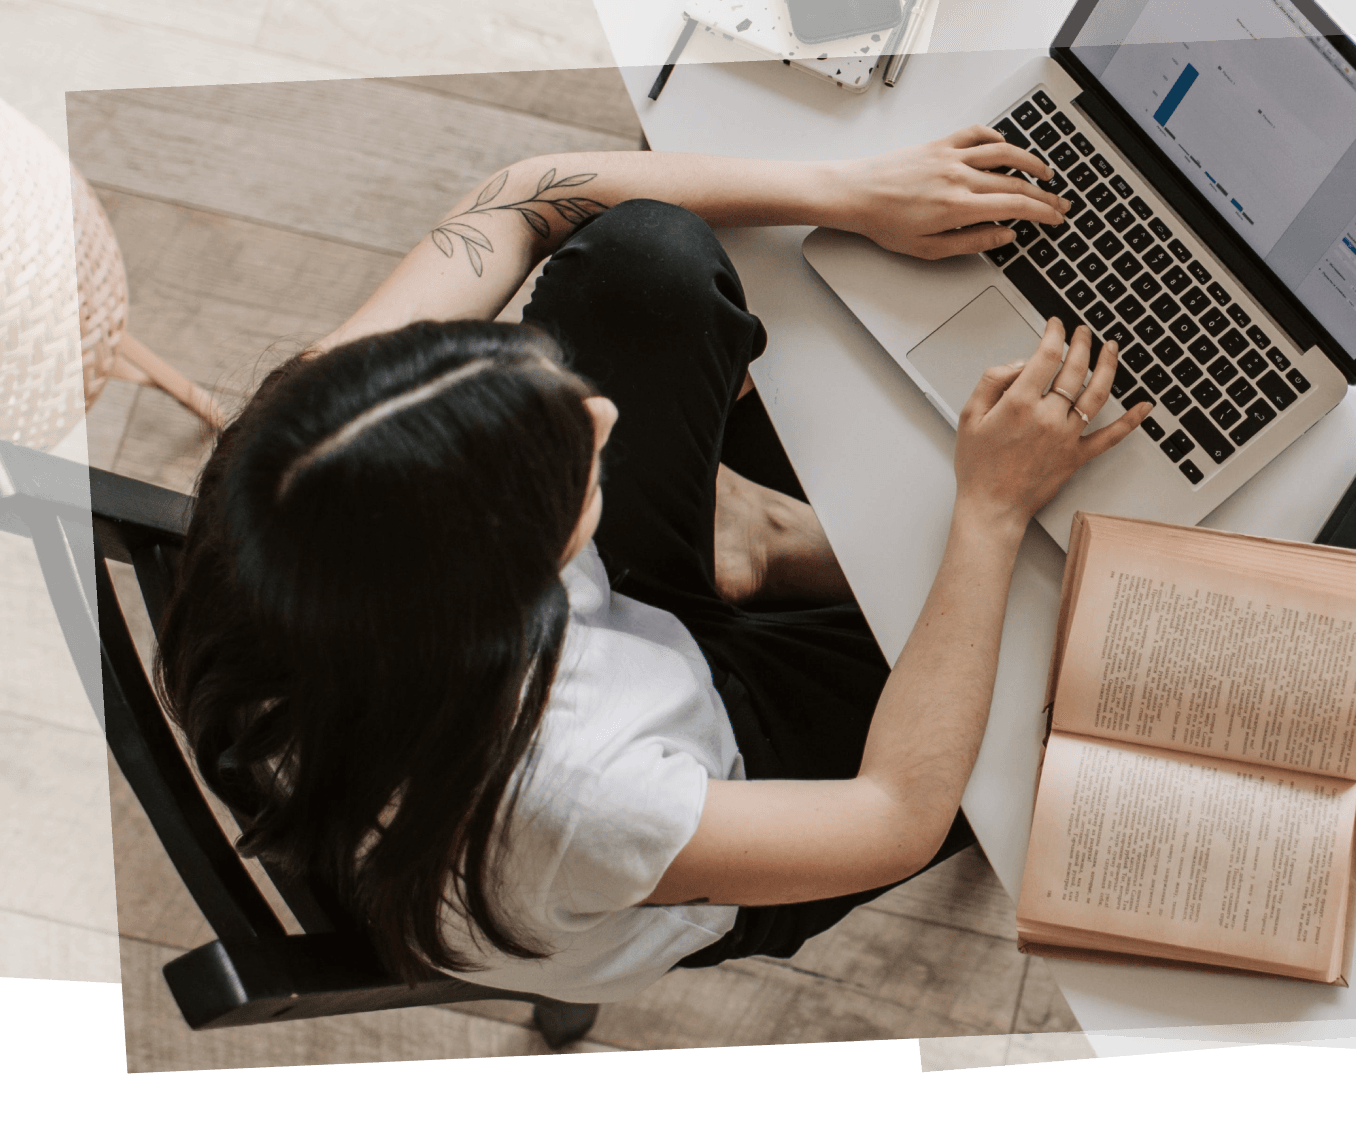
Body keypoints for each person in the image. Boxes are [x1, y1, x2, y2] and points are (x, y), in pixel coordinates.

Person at [156, 128, 1148, 1005]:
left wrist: (847, 190)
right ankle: (765, 548)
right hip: (716, 794)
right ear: (510, 589)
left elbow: (521, 196)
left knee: (642, 257)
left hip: (563, 672)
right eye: (570, 469)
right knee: (1076, 665)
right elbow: (892, 816)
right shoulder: (583, 795)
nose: (602, 413)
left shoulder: (313, 450)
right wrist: (987, 511)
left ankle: (749, 544)